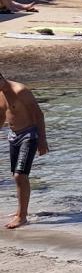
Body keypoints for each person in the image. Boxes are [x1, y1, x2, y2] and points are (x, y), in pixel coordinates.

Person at [1, 74, 47, 229]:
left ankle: (22, 217)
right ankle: (20, 211)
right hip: (13, 136)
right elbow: (2, 115)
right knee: (17, 176)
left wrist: (42, 140)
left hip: (29, 135)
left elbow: (39, 114)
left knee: (20, 175)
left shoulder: (20, 91)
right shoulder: (1, 94)